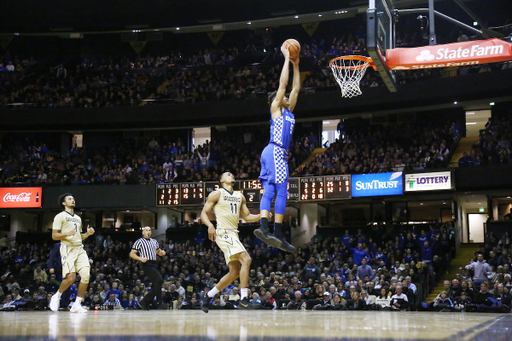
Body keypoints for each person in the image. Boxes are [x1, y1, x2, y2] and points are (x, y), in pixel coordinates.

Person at [253, 43, 300, 253]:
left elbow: (296, 88)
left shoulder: (289, 112)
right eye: (283, 97)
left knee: (271, 190)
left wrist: (296, 65)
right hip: (275, 150)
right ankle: (276, 232)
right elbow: (284, 85)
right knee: (281, 191)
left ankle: (266, 229)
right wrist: (285, 60)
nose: (287, 96)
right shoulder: (276, 109)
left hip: (273, 152)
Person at [200, 172, 266, 313]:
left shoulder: (240, 196)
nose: (231, 175)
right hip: (223, 232)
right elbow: (203, 213)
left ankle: (207, 296)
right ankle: (243, 298)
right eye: (228, 174)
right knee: (246, 259)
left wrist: (261, 215)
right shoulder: (216, 194)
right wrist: (210, 226)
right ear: (221, 180)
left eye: (232, 174)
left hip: (233, 234)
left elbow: (247, 217)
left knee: (234, 272)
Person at [49, 193, 95, 313]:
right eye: (69, 199)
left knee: (85, 275)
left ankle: (77, 304)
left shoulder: (78, 218)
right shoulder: (60, 216)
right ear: (64, 203)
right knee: (71, 278)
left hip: (79, 248)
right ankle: (57, 296)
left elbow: (79, 237)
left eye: (73, 199)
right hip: (67, 248)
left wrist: (88, 234)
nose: (72, 200)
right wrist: (66, 233)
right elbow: (54, 236)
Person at [129, 226, 168, 310]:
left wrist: (162, 253)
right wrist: (140, 258)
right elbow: (132, 254)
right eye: (146, 230)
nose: (148, 232)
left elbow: (158, 252)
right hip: (146, 263)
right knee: (159, 280)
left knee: (156, 284)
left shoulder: (154, 241)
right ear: (143, 232)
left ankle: (144, 303)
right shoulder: (139, 241)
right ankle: (158, 302)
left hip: (154, 263)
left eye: (149, 230)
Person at [48, 242, 72, 309]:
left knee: (68, 286)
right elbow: (52, 257)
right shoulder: (58, 245)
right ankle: (61, 303)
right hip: (60, 268)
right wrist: (51, 267)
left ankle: (64, 304)